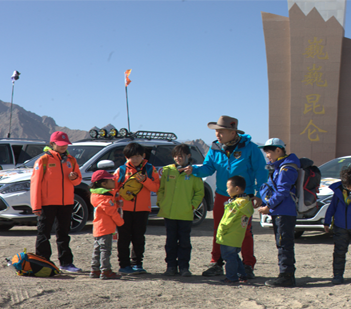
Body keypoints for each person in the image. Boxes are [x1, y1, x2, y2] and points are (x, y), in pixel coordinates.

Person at [184, 116, 268, 279]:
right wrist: (193, 169)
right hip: (223, 196)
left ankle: (247, 265)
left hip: (245, 198)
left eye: (221, 131)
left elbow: (261, 172)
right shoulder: (214, 149)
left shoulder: (250, 149)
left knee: (244, 232)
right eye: (216, 131)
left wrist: (259, 195)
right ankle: (217, 263)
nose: (217, 134)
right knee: (220, 229)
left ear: (232, 132)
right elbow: (208, 168)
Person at [30, 131, 83, 273]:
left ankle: (66, 263)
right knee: (44, 233)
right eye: (60, 144)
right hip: (47, 203)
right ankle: (43, 261)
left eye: (66, 144)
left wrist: (74, 177)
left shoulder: (71, 160)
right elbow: (35, 184)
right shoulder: (43, 160)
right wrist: (36, 205)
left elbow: (78, 180)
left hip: (66, 203)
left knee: (64, 234)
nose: (64, 146)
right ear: (52, 144)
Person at [157, 144, 205, 277]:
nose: (178, 159)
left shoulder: (193, 173)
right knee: (170, 241)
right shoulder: (167, 170)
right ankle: (171, 266)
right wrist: (161, 202)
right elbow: (161, 189)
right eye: (176, 156)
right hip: (170, 213)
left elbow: (199, 192)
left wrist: (192, 206)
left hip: (185, 213)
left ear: (188, 156)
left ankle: (184, 267)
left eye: (181, 156)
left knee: (184, 242)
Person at [257, 138, 300, 287]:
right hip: (281, 211)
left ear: (278, 150)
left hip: (284, 212)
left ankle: (287, 276)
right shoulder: (278, 167)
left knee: (284, 244)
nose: (267, 155)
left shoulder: (286, 168)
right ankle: (285, 274)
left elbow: (282, 191)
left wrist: (268, 206)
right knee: (282, 243)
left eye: (269, 151)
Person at [114, 142, 160, 275]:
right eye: (131, 157)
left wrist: (145, 180)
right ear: (126, 157)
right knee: (123, 238)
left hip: (142, 209)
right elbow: (114, 189)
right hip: (124, 210)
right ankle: (124, 265)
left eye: (138, 156)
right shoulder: (121, 170)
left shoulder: (151, 169)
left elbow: (156, 188)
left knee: (138, 238)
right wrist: (117, 203)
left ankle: (137, 264)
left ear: (144, 156)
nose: (135, 159)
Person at [216, 176, 254, 284]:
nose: (227, 190)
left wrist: (221, 230)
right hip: (237, 235)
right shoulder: (246, 201)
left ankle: (231, 277)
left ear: (237, 189)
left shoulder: (235, 204)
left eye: (228, 187)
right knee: (234, 256)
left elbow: (227, 219)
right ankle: (242, 275)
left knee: (229, 257)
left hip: (229, 235)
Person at [89, 170, 124, 280]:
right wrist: (120, 222)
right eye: (111, 180)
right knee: (105, 250)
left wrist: (116, 204)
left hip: (98, 228)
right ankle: (106, 270)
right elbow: (111, 212)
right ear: (104, 184)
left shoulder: (97, 195)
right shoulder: (105, 198)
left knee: (97, 249)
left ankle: (95, 269)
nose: (114, 181)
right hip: (106, 228)